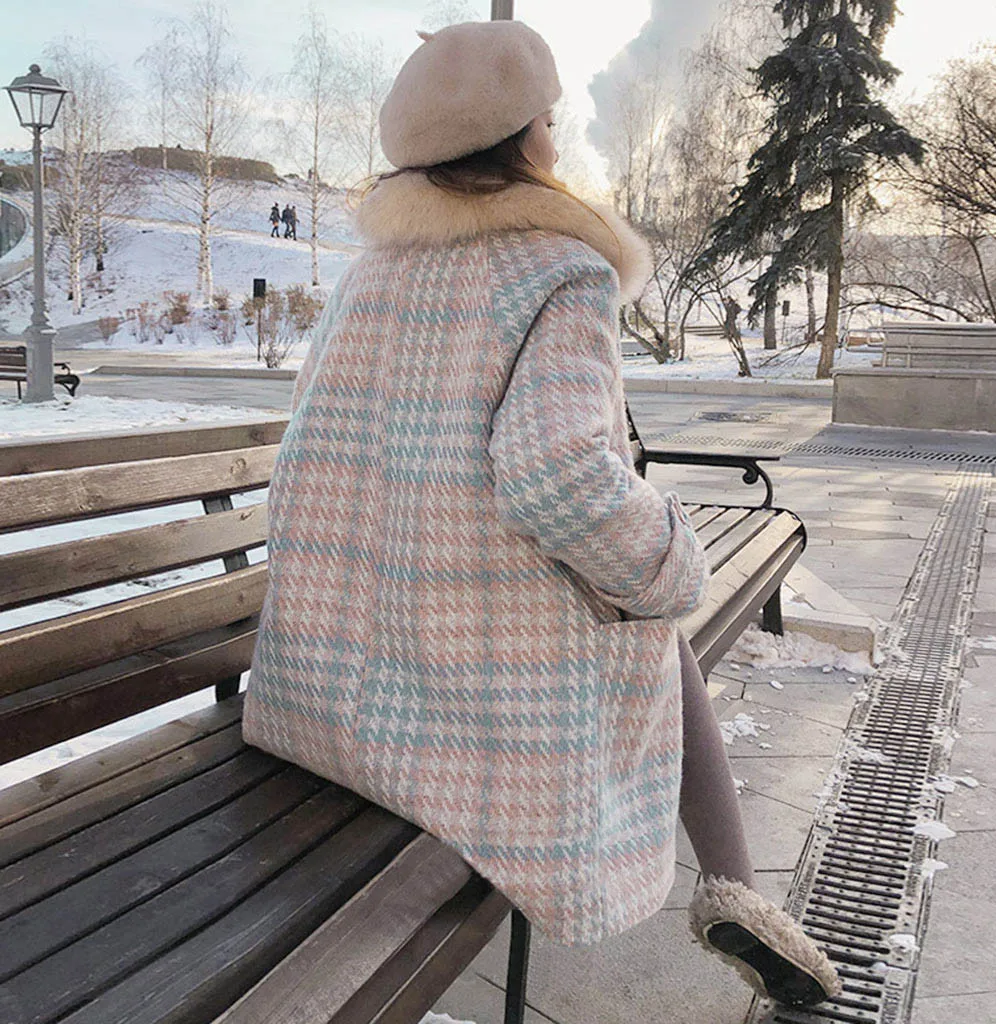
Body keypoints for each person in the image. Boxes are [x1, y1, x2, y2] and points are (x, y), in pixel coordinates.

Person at [242, 20, 841, 1009]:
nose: (556, 142)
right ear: (521, 136)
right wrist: (670, 565)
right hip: (471, 709)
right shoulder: (559, 270)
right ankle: (734, 887)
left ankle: (736, 889)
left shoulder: (368, 278)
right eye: (548, 121)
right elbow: (557, 472)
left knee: (643, 613)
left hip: (336, 683)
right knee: (657, 620)